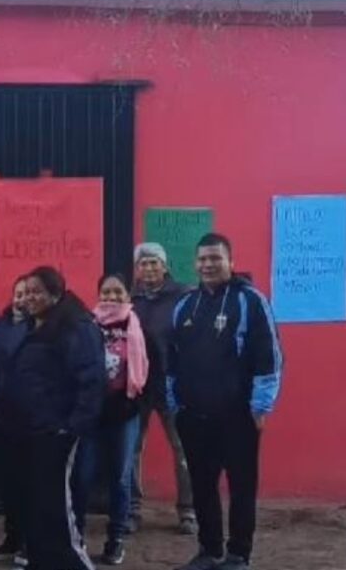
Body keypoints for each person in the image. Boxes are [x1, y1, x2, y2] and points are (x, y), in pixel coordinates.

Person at [169, 234, 283, 570]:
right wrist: (175, 403)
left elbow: (269, 356)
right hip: (193, 415)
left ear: (230, 262)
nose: (208, 264)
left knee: (241, 486)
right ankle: (209, 550)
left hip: (237, 415)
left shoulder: (250, 300)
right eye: (202, 259)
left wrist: (261, 406)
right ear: (195, 263)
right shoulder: (185, 305)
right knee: (202, 486)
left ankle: (237, 555)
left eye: (215, 258)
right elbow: (172, 359)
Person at [0, 266, 105, 570]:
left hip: (57, 433)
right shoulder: (29, 326)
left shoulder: (76, 326)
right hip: (28, 433)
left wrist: (71, 427)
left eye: (36, 291)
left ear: (56, 292)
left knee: (57, 509)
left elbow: (91, 380)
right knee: (35, 506)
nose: (29, 297)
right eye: (26, 292)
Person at [71, 273, 150, 566]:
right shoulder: (86, 325)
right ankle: (75, 537)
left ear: (128, 296)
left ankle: (115, 539)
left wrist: (135, 402)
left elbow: (148, 368)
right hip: (91, 413)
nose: (111, 298)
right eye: (106, 292)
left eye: (118, 292)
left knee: (120, 477)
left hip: (124, 414)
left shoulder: (136, 326)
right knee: (82, 476)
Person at [129, 243, 196, 535]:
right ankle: (131, 510)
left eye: (154, 262)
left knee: (183, 450)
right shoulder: (130, 299)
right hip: (138, 387)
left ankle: (188, 511)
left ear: (165, 266)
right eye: (143, 264)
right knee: (132, 450)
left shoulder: (185, 295)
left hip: (174, 386)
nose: (149, 268)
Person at [0, 274, 31, 568]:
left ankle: (29, 542)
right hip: (0, 417)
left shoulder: (41, 327)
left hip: (29, 418)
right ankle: (12, 537)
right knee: (8, 484)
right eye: (19, 292)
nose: (22, 298)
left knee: (30, 485)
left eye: (28, 293)